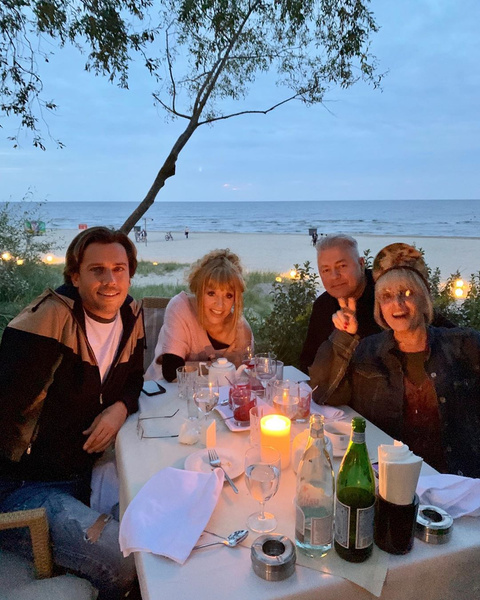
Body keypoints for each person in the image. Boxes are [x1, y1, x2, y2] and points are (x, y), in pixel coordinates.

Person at [0, 227, 144, 599]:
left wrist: (119, 409)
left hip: (86, 473)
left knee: (159, 516)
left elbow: (135, 378)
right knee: (125, 558)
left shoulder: (130, 314)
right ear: (75, 276)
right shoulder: (46, 321)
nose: (110, 280)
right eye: (97, 270)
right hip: (25, 489)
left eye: (119, 269)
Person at [309, 243, 480, 478]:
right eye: (386, 296)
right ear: (379, 306)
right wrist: (343, 338)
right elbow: (324, 393)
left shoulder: (464, 345)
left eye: (407, 293)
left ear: (424, 298)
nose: (397, 304)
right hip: (388, 472)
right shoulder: (368, 351)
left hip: (456, 479)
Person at [299, 233, 455, 374]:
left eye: (342, 266)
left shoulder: (388, 291)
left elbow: (446, 332)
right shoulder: (323, 306)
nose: (334, 276)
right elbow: (308, 364)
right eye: (326, 270)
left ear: (361, 263)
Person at [145, 248, 253, 382]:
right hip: (164, 388)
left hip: (213, 393)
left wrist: (192, 366)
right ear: (198, 291)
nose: (220, 304)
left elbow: (242, 375)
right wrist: (220, 367)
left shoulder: (241, 330)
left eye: (228, 295)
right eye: (211, 293)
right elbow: (172, 372)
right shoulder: (181, 308)